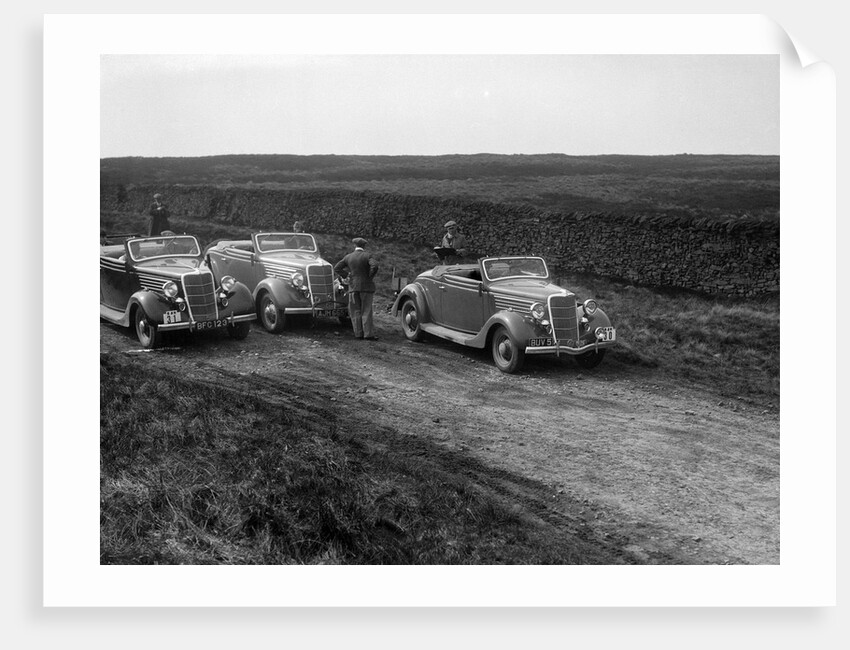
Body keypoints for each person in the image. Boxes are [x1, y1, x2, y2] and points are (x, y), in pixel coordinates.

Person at [334, 237, 380, 340]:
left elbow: (337, 268)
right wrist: (370, 276)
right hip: (366, 287)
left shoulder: (348, 257)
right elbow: (375, 266)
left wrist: (347, 275)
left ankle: (358, 334)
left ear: (355, 245)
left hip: (353, 286)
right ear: (364, 246)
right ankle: (368, 334)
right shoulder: (367, 256)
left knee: (355, 311)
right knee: (366, 310)